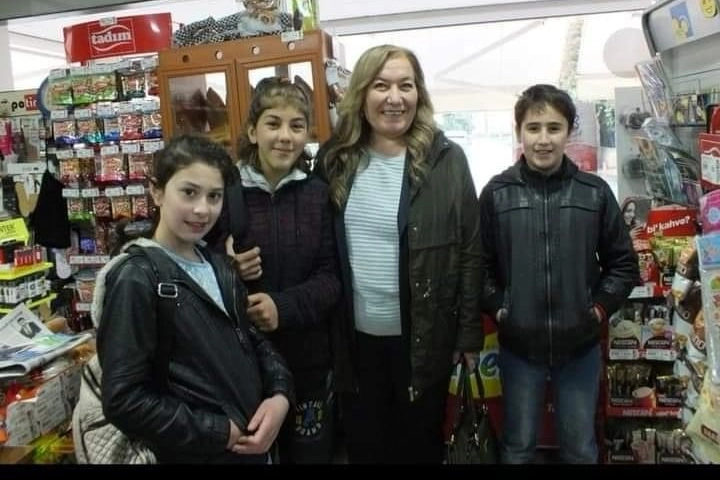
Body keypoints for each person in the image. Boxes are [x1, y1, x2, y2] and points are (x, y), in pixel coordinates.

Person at [314, 44, 483, 464]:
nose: (395, 98)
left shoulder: (447, 160)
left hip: (424, 341)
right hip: (355, 345)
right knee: (366, 448)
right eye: (381, 85)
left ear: (418, 93)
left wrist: (467, 335)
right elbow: (318, 245)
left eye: (405, 86)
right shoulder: (335, 158)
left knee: (419, 447)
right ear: (361, 94)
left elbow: (470, 250)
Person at [94, 134, 294, 464]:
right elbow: (123, 399)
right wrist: (217, 431)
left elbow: (252, 339)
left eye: (214, 196)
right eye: (189, 192)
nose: (202, 209)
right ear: (157, 191)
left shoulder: (218, 265)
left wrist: (280, 395)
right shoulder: (136, 278)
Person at [478, 84, 639, 464]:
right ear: (519, 132)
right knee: (517, 448)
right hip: (519, 348)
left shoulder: (594, 192)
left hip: (579, 347)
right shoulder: (497, 194)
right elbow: (478, 266)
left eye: (554, 128)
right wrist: (501, 308)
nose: (544, 139)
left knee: (580, 450)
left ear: (569, 131)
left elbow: (623, 264)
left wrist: (597, 309)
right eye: (533, 128)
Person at [217, 77, 341, 464]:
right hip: (241, 364)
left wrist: (281, 307)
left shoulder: (318, 194)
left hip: (307, 362)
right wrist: (228, 268)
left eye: (296, 126)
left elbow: (332, 277)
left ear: (307, 134)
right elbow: (191, 266)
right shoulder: (223, 193)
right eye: (273, 123)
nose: (285, 136)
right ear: (253, 131)